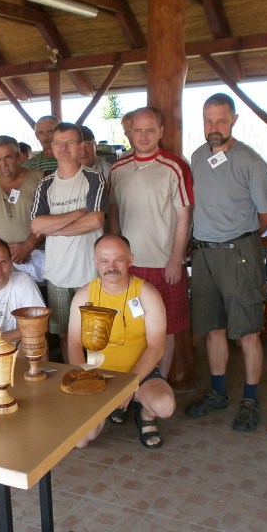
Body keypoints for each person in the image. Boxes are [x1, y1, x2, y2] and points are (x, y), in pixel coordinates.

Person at [185, 93, 267, 432]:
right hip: (203, 254)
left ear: (234, 120)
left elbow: (266, 215)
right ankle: (218, 392)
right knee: (213, 328)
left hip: (239, 253)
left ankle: (250, 400)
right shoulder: (197, 157)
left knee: (248, 332)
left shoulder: (250, 161)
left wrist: (239, 237)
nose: (214, 127)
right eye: (209, 120)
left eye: (221, 120)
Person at [67, 235, 175, 449]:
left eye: (118, 259)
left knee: (165, 405)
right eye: (104, 261)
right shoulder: (84, 295)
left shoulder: (147, 294)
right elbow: (74, 344)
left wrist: (128, 386)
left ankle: (145, 415)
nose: (111, 267)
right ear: (95, 262)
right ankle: (112, 406)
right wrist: (87, 380)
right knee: (81, 441)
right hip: (98, 375)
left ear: (130, 260)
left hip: (140, 375)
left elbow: (156, 347)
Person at [109, 106, 193, 378]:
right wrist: (116, 259)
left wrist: (176, 260)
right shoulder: (118, 168)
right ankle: (130, 387)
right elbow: (114, 213)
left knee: (165, 328)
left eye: (150, 130)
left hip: (163, 264)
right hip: (128, 265)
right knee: (129, 326)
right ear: (129, 132)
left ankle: (160, 382)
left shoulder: (175, 167)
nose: (143, 136)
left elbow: (184, 216)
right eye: (137, 130)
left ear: (161, 132)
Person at [31, 122, 107, 363]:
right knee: (64, 334)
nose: (64, 148)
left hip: (89, 273)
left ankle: (97, 376)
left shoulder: (94, 178)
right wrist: (77, 214)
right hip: (57, 274)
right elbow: (36, 226)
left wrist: (54, 229)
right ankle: (73, 375)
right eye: (59, 143)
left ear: (81, 146)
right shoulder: (45, 184)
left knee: (94, 334)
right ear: (52, 147)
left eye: (70, 143)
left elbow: (95, 220)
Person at [0, 135, 44, 282]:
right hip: (1, 266)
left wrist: (28, 245)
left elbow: (52, 217)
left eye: (7, 157)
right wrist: (3, 250)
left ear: (18, 156)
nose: (3, 164)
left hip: (38, 261)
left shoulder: (40, 178)